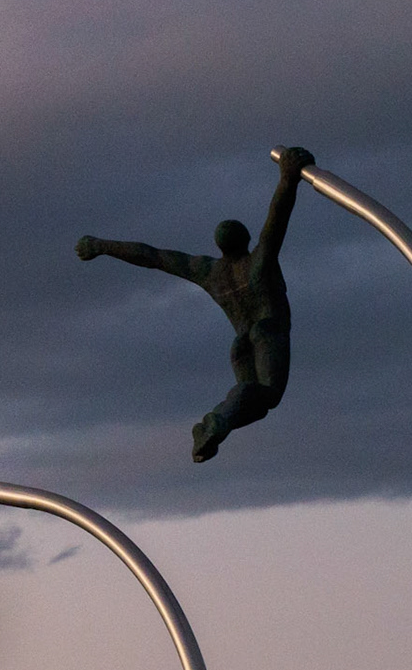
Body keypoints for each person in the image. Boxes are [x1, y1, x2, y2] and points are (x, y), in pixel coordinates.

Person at [75, 146, 315, 462]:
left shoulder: (210, 273)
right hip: (266, 332)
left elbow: (153, 256)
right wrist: (288, 176)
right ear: (244, 241)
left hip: (240, 343)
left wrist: (100, 246)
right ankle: (217, 421)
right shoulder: (259, 262)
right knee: (267, 395)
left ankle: (216, 425)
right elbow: (277, 218)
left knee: (252, 403)